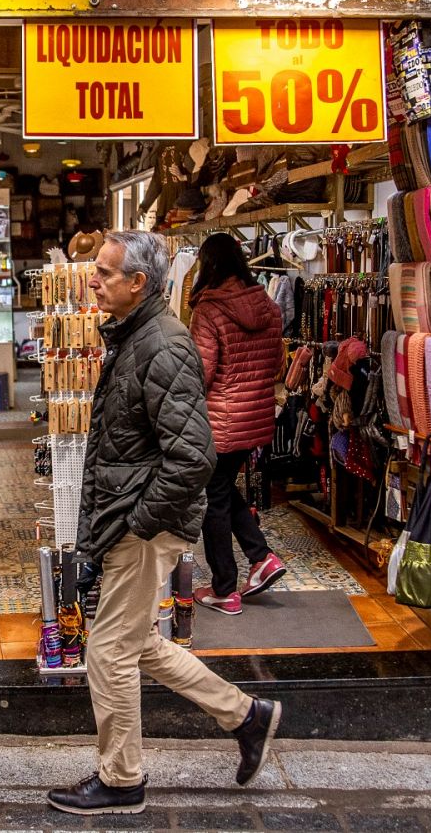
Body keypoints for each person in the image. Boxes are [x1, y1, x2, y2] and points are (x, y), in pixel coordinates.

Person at [47, 229, 282, 817]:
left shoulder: (164, 345)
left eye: (103, 272)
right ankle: (246, 716)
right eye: (95, 269)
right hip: (132, 517)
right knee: (138, 643)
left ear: (139, 284)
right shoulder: (135, 335)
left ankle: (122, 778)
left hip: (143, 525)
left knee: (107, 651)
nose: (93, 279)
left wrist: (139, 520)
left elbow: (194, 455)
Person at [187, 234, 286, 615]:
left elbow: (202, 373)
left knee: (213, 500)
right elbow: (275, 364)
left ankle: (224, 589)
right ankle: (262, 558)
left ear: (207, 264)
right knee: (223, 488)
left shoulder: (209, 310)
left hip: (220, 420)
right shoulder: (269, 306)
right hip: (255, 418)